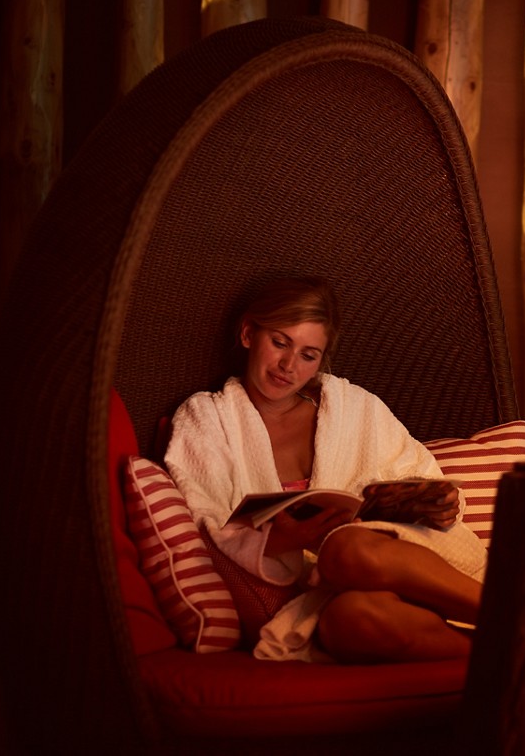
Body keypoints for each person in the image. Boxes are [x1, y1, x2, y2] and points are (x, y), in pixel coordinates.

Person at [162, 276, 485, 663]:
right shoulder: (206, 417)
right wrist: (278, 542)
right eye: (280, 343)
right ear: (249, 333)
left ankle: (518, 616)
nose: (288, 366)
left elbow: (422, 476)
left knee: (345, 547)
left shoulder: (355, 408)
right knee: (351, 619)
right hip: (319, 597)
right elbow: (202, 518)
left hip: (399, 565)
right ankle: (518, 649)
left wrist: (439, 501)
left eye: (308, 355)